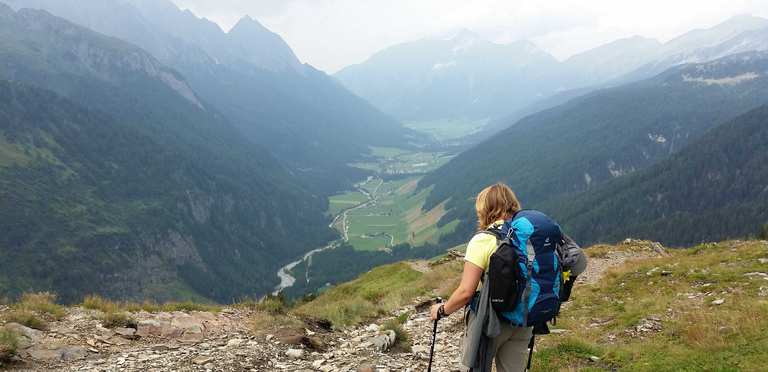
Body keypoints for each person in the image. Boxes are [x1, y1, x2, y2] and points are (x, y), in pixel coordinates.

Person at [430, 183, 532, 372]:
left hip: (491, 321)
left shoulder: (484, 240)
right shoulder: (528, 234)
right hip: (524, 318)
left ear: (485, 209)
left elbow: (466, 291)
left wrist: (442, 310)